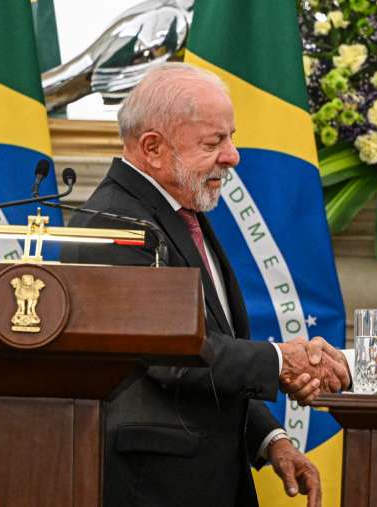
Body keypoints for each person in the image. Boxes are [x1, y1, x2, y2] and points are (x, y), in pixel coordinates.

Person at [60, 63, 348, 507]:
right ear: (153, 148)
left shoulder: (182, 213)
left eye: (230, 137)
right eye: (215, 142)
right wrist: (280, 362)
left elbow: (212, 346)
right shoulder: (113, 228)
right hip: (154, 490)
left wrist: (271, 440)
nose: (234, 156)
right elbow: (172, 356)